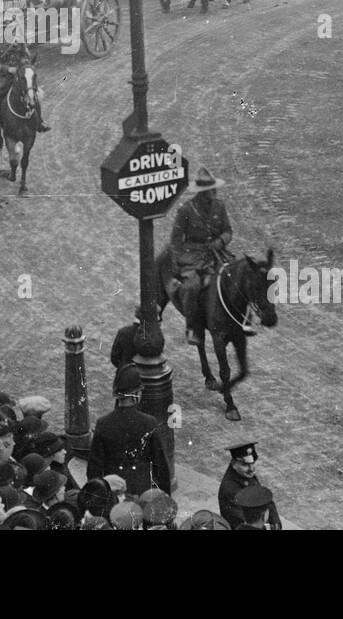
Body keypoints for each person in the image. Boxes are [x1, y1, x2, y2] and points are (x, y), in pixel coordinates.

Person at [168, 167, 233, 345]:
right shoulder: (186, 210)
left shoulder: (219, 206)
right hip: (193, 257)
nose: (212, 194)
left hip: (216, 253)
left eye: (213, 190)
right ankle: (192, 328)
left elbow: (228, 231)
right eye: (207, 192)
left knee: (239, 276)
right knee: (192, 287)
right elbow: (175, 240)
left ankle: (242, 321)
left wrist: (220, 241)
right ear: (200, 193)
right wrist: (177, 264)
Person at [86, 364, 171, 496]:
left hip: (114, 490)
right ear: (135, 394)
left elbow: (93, 469)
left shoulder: (103, 423)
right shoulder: (149, 422)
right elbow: (161, 466)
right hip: (143, 490)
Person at [218, 442, 282, 530]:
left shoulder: (245, 475)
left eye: (252, 463)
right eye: (245, 465)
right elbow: (246, 523)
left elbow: (265, 500)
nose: (251, 469)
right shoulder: (230, 489)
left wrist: (276, 523)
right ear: (234, 464)